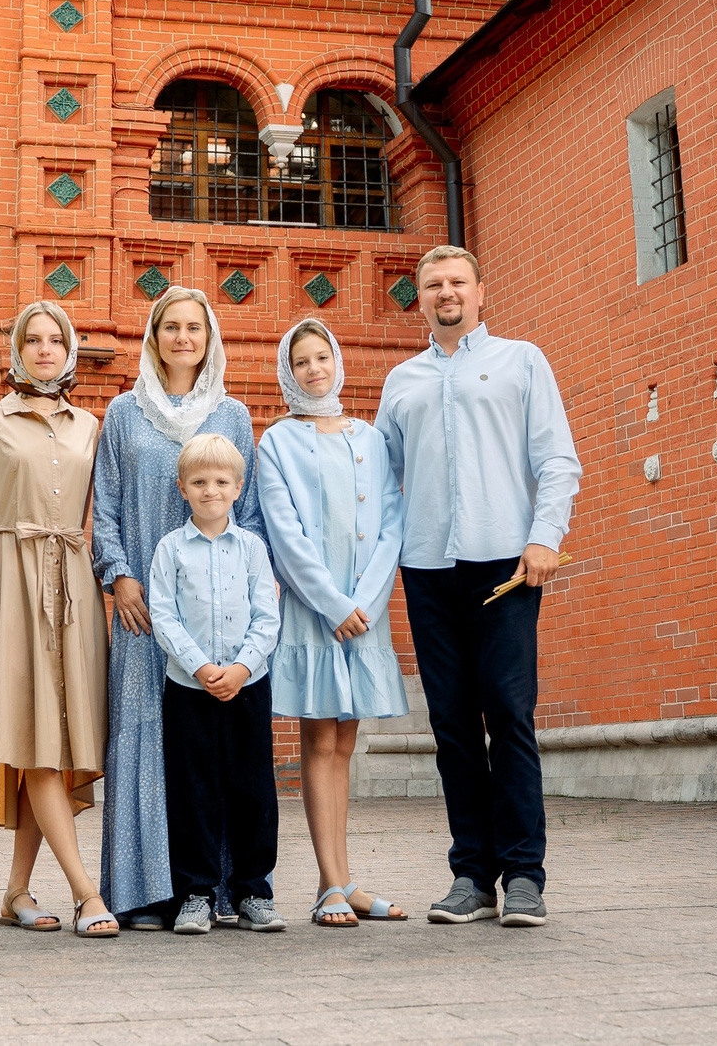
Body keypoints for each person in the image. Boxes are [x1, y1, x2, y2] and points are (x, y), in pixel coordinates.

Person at [376, 245, 580, 930]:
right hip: (428, 570)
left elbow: (557, 459)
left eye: (456, 281)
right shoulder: (401, 381)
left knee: (509, 715)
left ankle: (524, 873)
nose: (445, 292)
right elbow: (381, 483)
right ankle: (471, 874)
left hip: (506, 568)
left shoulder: (523, 360)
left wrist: (545, 535)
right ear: (421, 297)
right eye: (432, 284)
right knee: (453, 726)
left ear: (480, 292)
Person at [90, 285, 261, 930]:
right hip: (143, 610)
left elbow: (251, 516)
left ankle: (214, 889)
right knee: (142, 738)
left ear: (209, 337)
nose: (183, 338)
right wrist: (119, 576)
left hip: (217, 615)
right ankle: (144, 891)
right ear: (153, 337)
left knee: (212, 750)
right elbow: (103, 505)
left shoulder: (234, 416)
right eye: (171, 327)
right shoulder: (124, 414)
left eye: (195, 327)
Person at [0, 301, 117, 938]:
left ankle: (17, 892)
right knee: (41, 744)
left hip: (74, 585)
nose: (45, 349)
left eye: (56, 339)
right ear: (16, 350)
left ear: (70, 349)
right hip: (11, 589)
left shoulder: (90, 426)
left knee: (47, 740)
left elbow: (104, 509)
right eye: (33, 340)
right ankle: (86, 892)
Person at [252, 318, 410, 926]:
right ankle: (331, 890)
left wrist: (362, 602)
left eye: (322, 357)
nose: (314, 369)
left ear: (337, 362)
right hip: (314, 614)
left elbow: (391, 522)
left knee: (346, 741)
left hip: (364, 614)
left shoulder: (370, 438)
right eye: (301, 362)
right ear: (288, 374)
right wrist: (333, 604)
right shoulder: (276, 443)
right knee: (318, 740)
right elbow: (284, 536)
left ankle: (340, 881)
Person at [147, 432, 284, 934]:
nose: (210, 490)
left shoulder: (251, 548)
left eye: (221, 481)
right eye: (199, 482)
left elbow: (267, 616)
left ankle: (253, 891)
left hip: (249, 685)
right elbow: (164, 615)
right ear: (182, 488)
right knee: (193, 789)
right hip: (189, 687)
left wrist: (242, 668)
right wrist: (201, 667)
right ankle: (196, 893)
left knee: (252, 787)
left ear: (238, 487)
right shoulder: (170, 549)